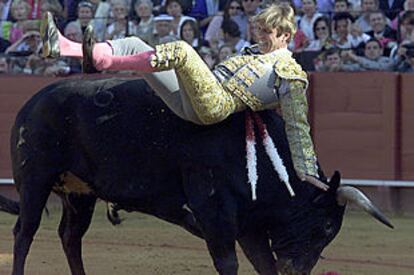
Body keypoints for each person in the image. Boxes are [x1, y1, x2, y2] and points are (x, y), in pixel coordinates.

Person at [40, 3, 328, 190]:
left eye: (268, 33)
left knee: (181, 50)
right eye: (259, 31)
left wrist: (307, 170)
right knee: (133, 43)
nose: (260, 37)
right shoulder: (252, 53)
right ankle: (64, 45)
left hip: (214, 106)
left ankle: (100, 61)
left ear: (286, 36)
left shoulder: (291, 75)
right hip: (194, 96)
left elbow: (297, 125)